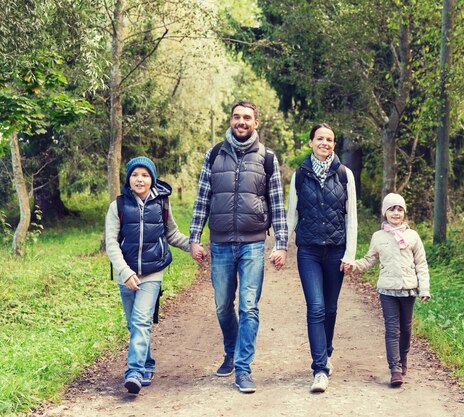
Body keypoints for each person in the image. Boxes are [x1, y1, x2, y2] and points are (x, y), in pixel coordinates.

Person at [190, 101, 288, 394]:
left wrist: (281, 244)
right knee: (222, 306)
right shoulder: (214, 155)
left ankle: (243, 369)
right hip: (220, 243)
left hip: (253, 243)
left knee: (248, 306)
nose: (241, 122)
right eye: (237, 117)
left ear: (256, 122)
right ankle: (230, 352)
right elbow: (202, 199)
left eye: (247, 117)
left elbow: (278, 206)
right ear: (230, 120)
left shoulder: (267, 158)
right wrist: (195, 237)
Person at [106, 156, 191, 395]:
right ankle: (148, 363)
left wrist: (193, 246)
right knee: (134, 325)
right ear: (129, 178)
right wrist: (125, 272)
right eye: (135, 175)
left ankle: (133, 371)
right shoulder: (119, 206)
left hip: (153, 272)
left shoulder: (162, 204)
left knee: (141, 320)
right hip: (126, 274)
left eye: (144, 175)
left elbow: (172, 234)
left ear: (152, 179)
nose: (139, 179)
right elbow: (111, 244)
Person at [286, 123, 357, 393]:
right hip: (309, 251)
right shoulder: (300, 175)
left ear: (334, 144)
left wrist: (350, 254)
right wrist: (281, 246)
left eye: (329, 139)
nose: (324, 143)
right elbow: (292, 214)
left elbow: (351, 218)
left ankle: (326, 350)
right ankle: (320, 369)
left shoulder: (344, 174)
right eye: (319, 139)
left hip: (336, 251)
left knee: (330, 308)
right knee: (315, 308)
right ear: (310, 142)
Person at [348, 193, 430, 388]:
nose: (396, 213)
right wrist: (353, 265)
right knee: (392, 330)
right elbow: (369, 260)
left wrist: (424, 288)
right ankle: (394, 369)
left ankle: (403, 360)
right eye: (391, 209)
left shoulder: (412, 236)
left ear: (404, 213)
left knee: (406, 330)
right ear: (385, 213)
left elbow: (421, 264)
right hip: (387, 291)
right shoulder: (378, 237)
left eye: (399, 209)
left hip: (408, 290)